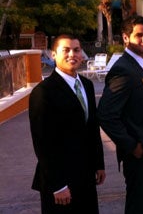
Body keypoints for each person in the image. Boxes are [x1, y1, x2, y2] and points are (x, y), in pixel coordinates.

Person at [29, 34, 105, 214]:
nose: (72, 54)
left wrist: (99, 163)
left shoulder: (87, 85)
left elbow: (93, 128)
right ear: (53, 54)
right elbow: (42, 143)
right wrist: (57, 185)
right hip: (60, 182)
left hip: (86, 177)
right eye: (66, 50)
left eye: (77, 50)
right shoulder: (43, 92)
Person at [97, 15, 143, 214]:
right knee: (138, 206)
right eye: (139, 35)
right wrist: (132, 146)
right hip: (139, 155)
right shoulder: (123, 70)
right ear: (126, 38)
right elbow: (106, 114)